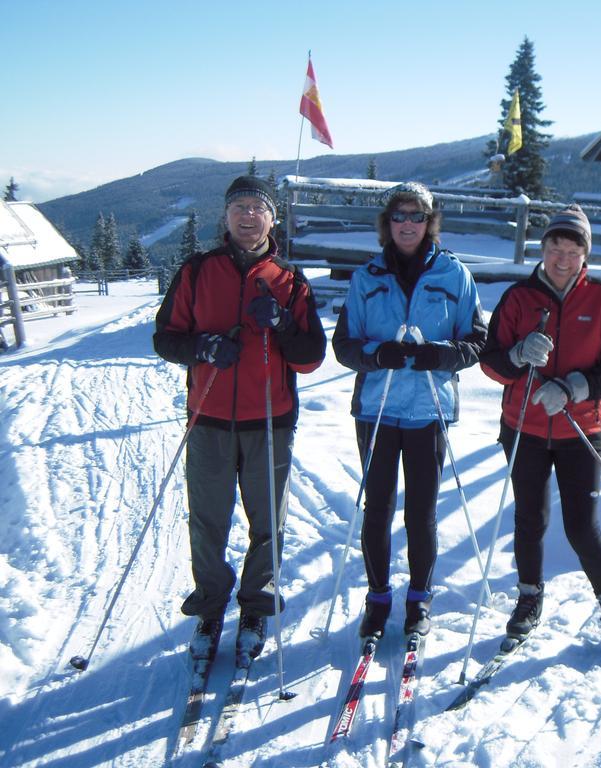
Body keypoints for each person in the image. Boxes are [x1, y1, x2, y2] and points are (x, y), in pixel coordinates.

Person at [154, 175, 326, 663]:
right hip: (207, 418)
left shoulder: (289, 280)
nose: (248, 215)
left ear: (272, 218)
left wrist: (284, 323)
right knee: (207, 521)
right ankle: (210, 606)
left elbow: (312, 357)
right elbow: (165, 338)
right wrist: (203, 346)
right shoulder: (197, 270)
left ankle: (255, 606)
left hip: (269, 421)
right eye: (239, 207)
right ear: (225, 217)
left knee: (267, 523)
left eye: (258, 207)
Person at [479, 204, 601, 648]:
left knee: (581, 526)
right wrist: (516, 357)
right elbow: (490, 362)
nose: (563, 258)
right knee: (529, 519)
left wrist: (576, 387)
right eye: (555, 247)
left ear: (585, 255)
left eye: (573, 249)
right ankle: (529, 598)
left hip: (580, 430)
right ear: (543, 248)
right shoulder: (518, 298)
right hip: (524, 427)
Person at [332, 182, 486, 640]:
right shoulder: (367, 276)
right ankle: (378, 599)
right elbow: (344, 345)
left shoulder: (454, 274)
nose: (407, 224)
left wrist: (439, 355)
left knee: (421, 513)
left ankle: (419, 599)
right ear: (388, 221)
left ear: (430, 221)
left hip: (427, 410)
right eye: (399, 215)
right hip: (377, 409)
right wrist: (379, 355)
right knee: (376, 509)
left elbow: (476, 341)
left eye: (417, 216)